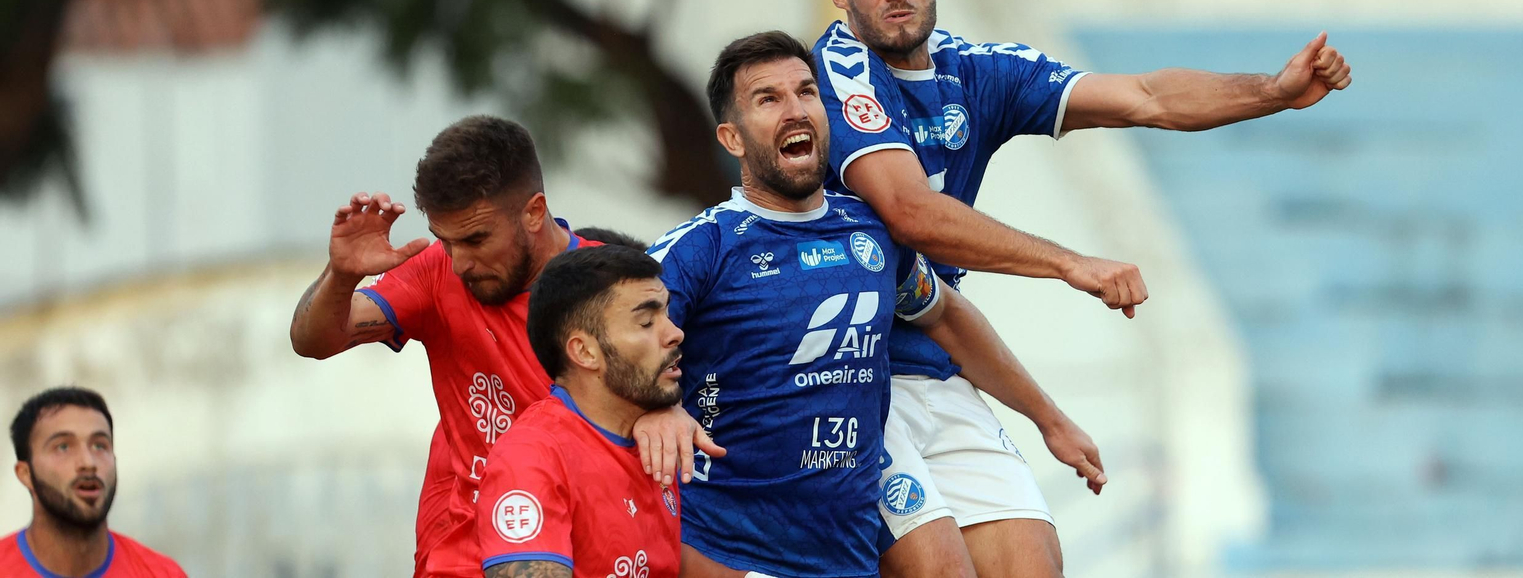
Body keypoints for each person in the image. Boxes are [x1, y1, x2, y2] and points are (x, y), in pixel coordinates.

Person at [811, 0, 1355, 578]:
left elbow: (1146, 98)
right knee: (940, 569)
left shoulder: (975, 72)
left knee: (1032, 565)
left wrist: (1271, 92)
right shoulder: (836, 72)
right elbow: (910, 212)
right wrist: (1070, 265)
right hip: (845, 373)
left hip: (938, 358)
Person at [637, 31, 1095, 578]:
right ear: (732, 139)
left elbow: (945, 317)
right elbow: (611, 333)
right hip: (738, 546)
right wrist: (656, 407)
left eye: (806, 92)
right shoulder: (701, 247)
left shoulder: (869, 233)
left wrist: (1050, 420)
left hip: (846, 541)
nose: (795, 111)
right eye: (768, 99)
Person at [288, 116, 677, 577]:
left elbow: (680, 377)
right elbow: (312, 340)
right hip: (466, 556)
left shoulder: (620, 288)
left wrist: (670, 409)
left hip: (604, 549)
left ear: (534, 212)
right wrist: (343, 274)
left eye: (476, 239)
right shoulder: (436, 272)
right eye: (444, 241)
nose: (460, 263)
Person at [476, 245, 685, 578]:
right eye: (646, 322)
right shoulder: (533, 457)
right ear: (585, 352)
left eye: (667, 314)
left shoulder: (656, 438)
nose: (675, 333)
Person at [4, 387, 186, 577]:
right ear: (25, 474)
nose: (88, 463)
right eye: (63, 447)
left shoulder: (162, 573)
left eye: (99, 445)